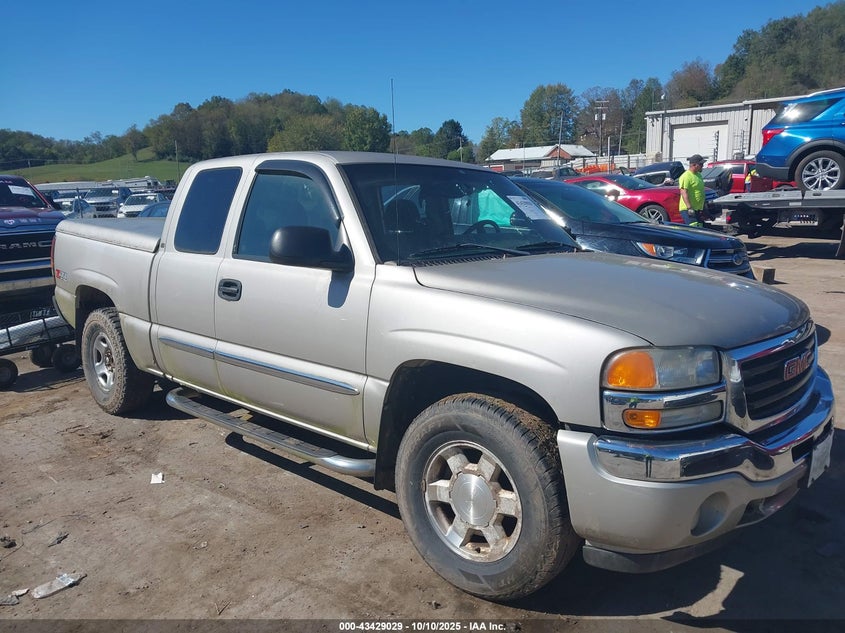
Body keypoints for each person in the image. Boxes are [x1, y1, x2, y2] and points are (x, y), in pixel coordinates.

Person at [678, 154, 706, 226]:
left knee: (700, 228)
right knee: (694, 229)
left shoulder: (698, 175)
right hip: (688, 209)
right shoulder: (686, 176)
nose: (702, 166)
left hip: (697, 209)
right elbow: (684, 192)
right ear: (694, 165)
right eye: (701, 164)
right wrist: (689, 208)